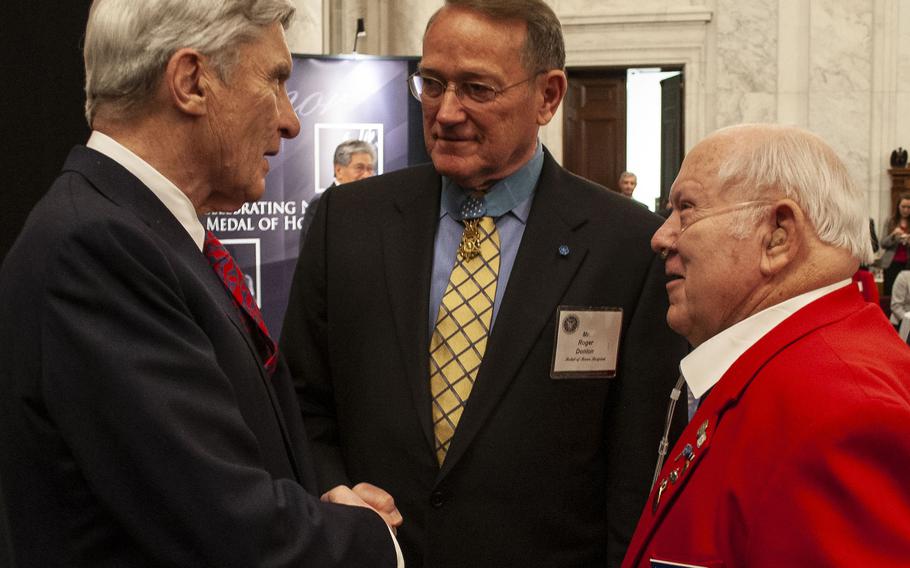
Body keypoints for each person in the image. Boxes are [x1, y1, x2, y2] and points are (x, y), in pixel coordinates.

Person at [280, 1, 687, 566]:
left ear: (548, 96)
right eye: (432, 84)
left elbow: (637, 458)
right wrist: (331, 491)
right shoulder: (346, 223)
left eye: (477, 88)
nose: (446, 112)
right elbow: (302, 401)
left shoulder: (626, 245)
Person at [0, 1, 403, 566]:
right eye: (276, 81)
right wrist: (367, 537)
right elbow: (224, 527)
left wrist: (319, 509)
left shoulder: (139, 232)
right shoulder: (97, 248)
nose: (292, 120)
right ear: (191, 82)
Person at [622, 124, 910, 567]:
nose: (661, 237)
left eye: (686, 210)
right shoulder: (792, 367)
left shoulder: (839, 413)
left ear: (778, 235)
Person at [300, 139, 377, 243]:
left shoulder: (373, 203)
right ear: (338, 170)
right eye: (359, 168)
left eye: (370, 169)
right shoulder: (322, 202)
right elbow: (312, 251)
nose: (367, 175)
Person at [880, 191, 910, 295]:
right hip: (891, 264)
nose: (906, 210)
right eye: (903, 207)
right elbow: (883, 243)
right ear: (898, 206)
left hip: (907, 264)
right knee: (889, 292)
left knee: (905, 294)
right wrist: (893, 235)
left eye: (909, 207)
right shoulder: (890, 221)